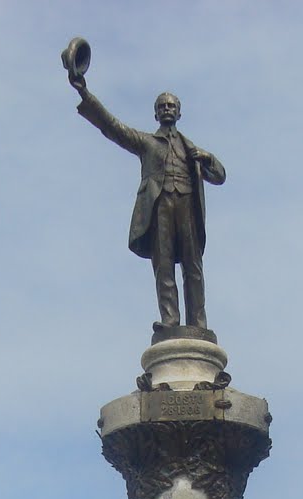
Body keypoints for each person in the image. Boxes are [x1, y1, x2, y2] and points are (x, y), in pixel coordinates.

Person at [71, 76, 226, 331]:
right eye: (162, 106)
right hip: (160, 205)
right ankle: (170, 319)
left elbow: (219, 176)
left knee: (193, 266)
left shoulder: (191, 150)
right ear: (156, 114)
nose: (167, 109)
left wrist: (207, 157)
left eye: (171, 106)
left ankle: (198, 323)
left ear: (179, 113)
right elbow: (112, 127)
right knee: (163, 265)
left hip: (187, 205)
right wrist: (84, 93)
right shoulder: (147, 143)